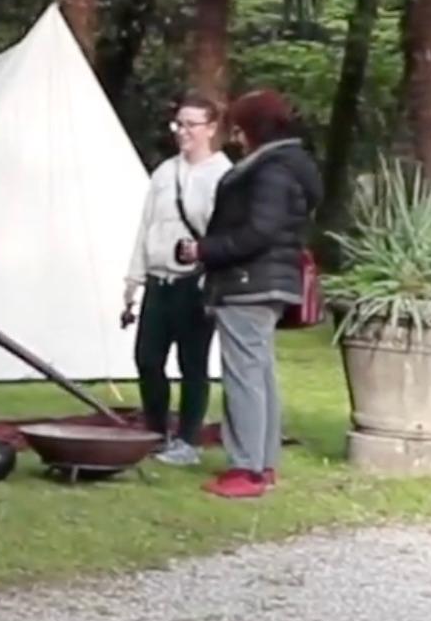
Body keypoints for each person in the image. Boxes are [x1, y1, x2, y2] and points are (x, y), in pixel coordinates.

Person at [176, 88, 322, 500]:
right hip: (266, 280)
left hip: (248, 281)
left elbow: (259, 231)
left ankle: (246, 468)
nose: (236, 138)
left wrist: (204, 250)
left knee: (244, 375)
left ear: (255, 128)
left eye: (239, 129)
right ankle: (264, 462)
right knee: (260, 373)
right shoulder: (291, 166)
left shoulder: (270, 170)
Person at [125, 93, 229, 467]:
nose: (182, 132)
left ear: (211, 129)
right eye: (178, 124)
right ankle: (156, 431)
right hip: (158, 279)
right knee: (148, 358)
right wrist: (133, 278)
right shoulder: (164, 172)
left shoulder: (222, 175)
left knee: (193, 363)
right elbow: (146, 226)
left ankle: (188, 440)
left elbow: (224, 234)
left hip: (194, 281)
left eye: (190, 125)